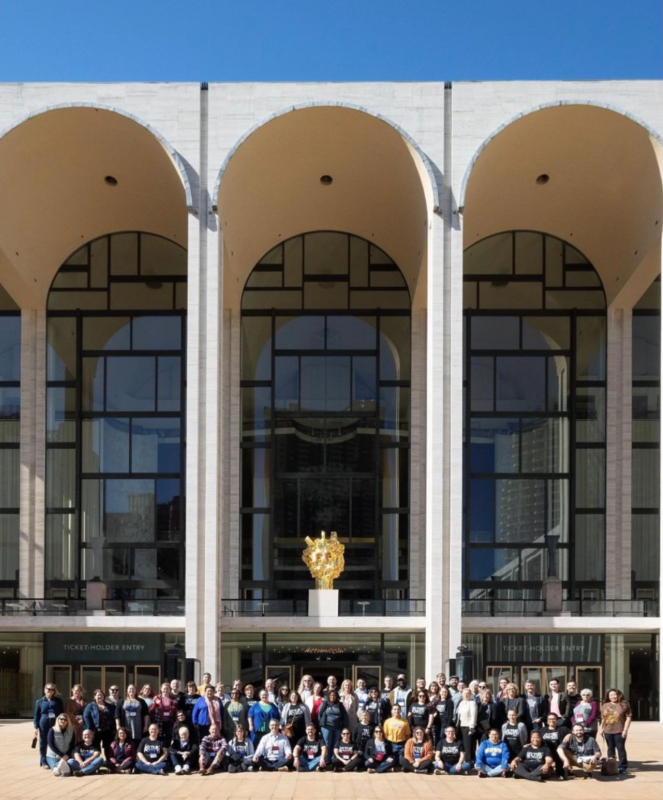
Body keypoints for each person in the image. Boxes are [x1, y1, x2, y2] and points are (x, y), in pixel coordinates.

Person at [598, 688, 632, 774]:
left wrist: (625, 730)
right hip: (608, 730)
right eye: (610, 695)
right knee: (610, 748)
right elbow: (603, 718)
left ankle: (622, 767)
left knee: (620, 748)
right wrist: (601, 728)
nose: (613, 696)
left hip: (619, 730)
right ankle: (612, 766)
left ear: (618, 695)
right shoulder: (605, 705)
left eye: (614, 694)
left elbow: (628, 718)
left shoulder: (624, 704)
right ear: (608, 697)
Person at [34, 683, 65, 767]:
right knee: (43, 742)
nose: (50, 691)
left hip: (55, 723)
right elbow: (36, 715)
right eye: (48, 689)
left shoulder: (58, 701)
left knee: (55, 741)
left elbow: (62, 712)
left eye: (52, 689)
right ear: (45, 690)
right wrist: (36, 726)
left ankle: (56, 759)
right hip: (44, 723)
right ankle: (44, 761)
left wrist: (62, 722)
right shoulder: (40, 701)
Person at [83, 689, 115, 759]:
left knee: (108, 747)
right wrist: (90, 728)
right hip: (96, 730)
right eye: (98, 695)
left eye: (101, 695)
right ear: (94, 697)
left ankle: (108, 762)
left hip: (108, 730)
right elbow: (86, 716)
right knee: (95, 746)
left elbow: (114, 717)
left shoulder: (110, 706)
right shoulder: (90, 705)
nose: (100, 696)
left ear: (104, 697)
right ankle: (94, 762)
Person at [115, 684, 150, 748]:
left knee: (138, 743)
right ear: (127, 691)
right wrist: (118, 725)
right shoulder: (121, 701)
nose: (131, 690)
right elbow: (117, 714)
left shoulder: (141, 701)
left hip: (138, 726)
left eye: (133, 689)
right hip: (126, 724)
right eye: (130, 689)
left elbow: (146, 714)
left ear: (136, 690)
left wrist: (145, 725)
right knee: (126, 740)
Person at [319, 689, 349, 754]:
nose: (332, 697)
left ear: (337, 696)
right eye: (331, 695)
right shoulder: (325, 704)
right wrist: (319, 725)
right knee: (327, 743)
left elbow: (345, 716)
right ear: (328, 696)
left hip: (337, 727)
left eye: (334, 695)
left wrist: (345, 727)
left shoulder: (340, 705)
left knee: (335, 743)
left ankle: (333, 758)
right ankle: (326, 760)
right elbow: (320, 714)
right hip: (326, 727)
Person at [540, 713, 570, 779]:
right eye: (550, 719)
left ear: (557, 720)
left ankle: (562, 771)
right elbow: (536, 738)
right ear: (547, 721)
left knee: (561, 772)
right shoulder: (542, 730)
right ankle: (549, 769)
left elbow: (573, 733)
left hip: (558, 753)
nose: (552, 720)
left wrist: (569, 735)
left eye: (554, 719)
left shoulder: (563, 729)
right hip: (546, 753)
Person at [456, 687, 478, 761]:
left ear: (470, 695)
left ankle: (469, 760)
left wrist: (472, 727)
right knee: (462, 744)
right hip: (461, 726)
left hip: (468, 726)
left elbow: (473, 715)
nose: (466, 695)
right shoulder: (461, 703)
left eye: (467, 693)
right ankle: (462, 759)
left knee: (468, 745)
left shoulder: (472, 703)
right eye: (464, 693)